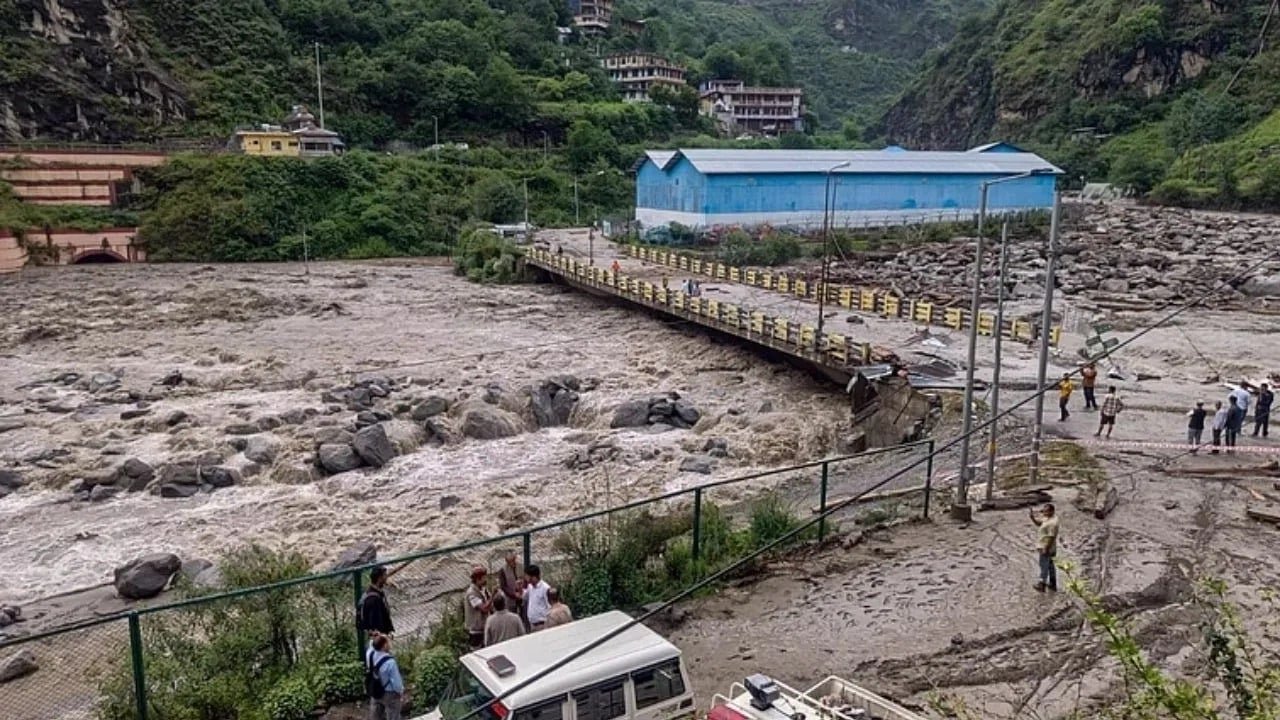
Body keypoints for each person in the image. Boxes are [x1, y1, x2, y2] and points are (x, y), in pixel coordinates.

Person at [365, 633, 405, 720]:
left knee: (376, 715)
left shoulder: (369, 654)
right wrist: (400, 692)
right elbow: (396, 684)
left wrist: (377, 637)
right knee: (393, 714)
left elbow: (372, 644)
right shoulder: (390, 662)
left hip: (375, 689)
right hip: (389, 693)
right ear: (384, 646)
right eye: (388, 642)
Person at [1030, 503, 1059, 592]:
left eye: (1046, 511)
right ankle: (1053, 584)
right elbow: (1040, 524)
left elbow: (1051, 537)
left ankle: (1041, 584)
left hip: (1046, 547)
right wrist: (1033, 518)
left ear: (1052, 511)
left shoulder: (1053, 523)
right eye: (1044, 511)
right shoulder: (1048, 518)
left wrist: (1046, 548)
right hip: (1048, 546)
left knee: (1044, 566)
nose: (1044, 513)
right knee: (1050, 566)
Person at [359, 566, 394, 637]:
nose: (386, 578)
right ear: (379, 578)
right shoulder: (374, 599)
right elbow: (376, 623)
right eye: (384, 575)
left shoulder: (373, 593)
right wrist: (383, 637)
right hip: (379, 640)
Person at [464, 566, 492, 649]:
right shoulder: (471, 593)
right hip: (476, 629)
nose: (486, 579)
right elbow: (483, 608)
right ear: (478, 579)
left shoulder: (483, 589)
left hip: (485, 625)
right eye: (484, 577)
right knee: (476, 650)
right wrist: (493, 597)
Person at [498, 552, 526, 629]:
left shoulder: (520, 566)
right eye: (511, 561)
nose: (513, 562)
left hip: (522, 595)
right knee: (512, 615)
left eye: (514, 560)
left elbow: (525, 579)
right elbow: (503, 586)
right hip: (510, 598)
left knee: (524, 614)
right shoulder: (502, 570)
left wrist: (522, 587)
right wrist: (513, 594)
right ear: (507, 561)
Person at [523, 564, 551, 630]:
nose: (525, 578)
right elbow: (524, 597)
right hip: (532, 624)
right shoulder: (530, 587)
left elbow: (549, 606)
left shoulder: (545, 588)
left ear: (533, 577)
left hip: (542, 624)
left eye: (527, 576)